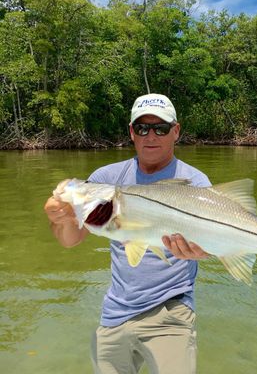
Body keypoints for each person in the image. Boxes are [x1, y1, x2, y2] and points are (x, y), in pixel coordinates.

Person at [44, 93, 211, 374]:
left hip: (171, 312)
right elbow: (70, 240)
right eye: (143, 128)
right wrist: (60, 218)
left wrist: (203, 251)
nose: (151, 136)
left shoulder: (194, 183)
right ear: (132, 132)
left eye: (161, 128)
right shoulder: (107, 179)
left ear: (176, 131)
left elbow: (212, 245)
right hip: (115, 312)